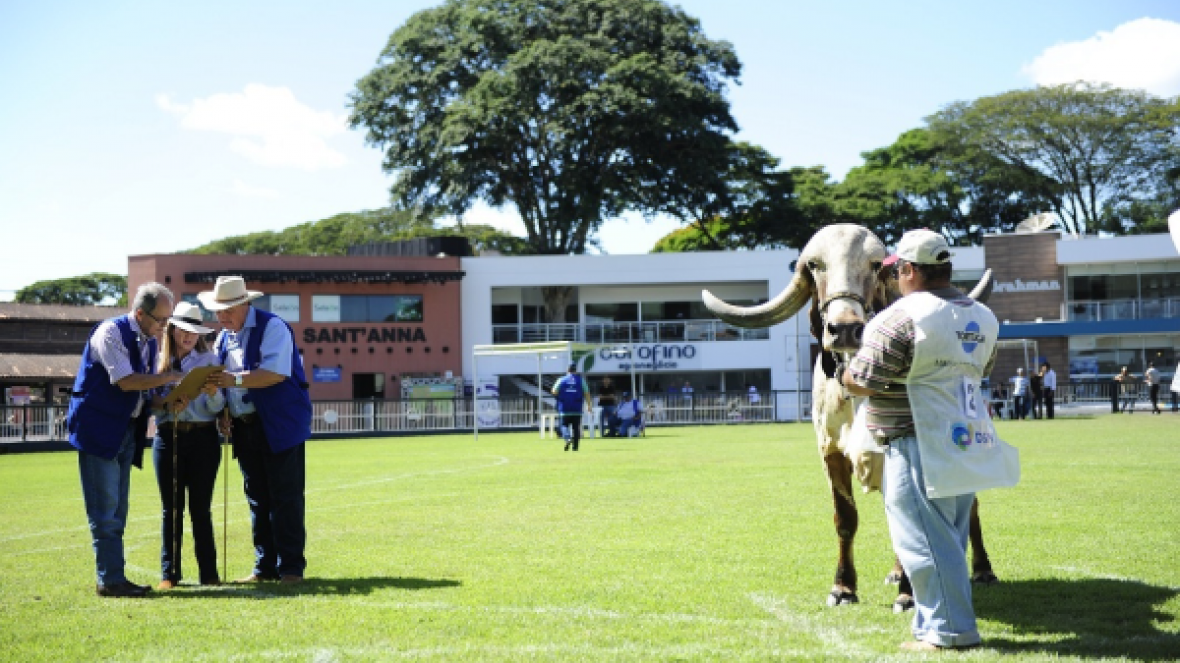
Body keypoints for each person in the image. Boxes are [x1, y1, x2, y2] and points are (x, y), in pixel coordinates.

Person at [843, 229, 1018, 652]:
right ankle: (930, 623)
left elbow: (864, 381)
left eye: (896, 272)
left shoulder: (900, 317)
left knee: (922, 543)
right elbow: (980, 369)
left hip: (914, 439)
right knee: (948, 540)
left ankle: (950, 633)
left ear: (907, 270)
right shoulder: (983, 317)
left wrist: (842, 372)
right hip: (965, 439)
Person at [66, 283, 184, 598]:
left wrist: (167, 401)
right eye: (161, 320)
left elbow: (143, 393)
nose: (164, 328)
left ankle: (114, 577)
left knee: (118, 510)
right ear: (141, 313)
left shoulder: (149, 340)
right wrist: (168, 378)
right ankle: (110, 579)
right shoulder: (110, 332)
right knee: (105, 511)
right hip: (99, 431)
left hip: (126, 431)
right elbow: (126, 381)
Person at [201, 276, 312, 584]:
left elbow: (275, 373)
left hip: (279, 425)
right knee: (257, 498)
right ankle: (264, 568)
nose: (222, 317)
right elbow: (223, 383)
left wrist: (233, 381)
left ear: (244, 304)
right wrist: (224, 411)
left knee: (285, 497)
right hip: (245, 427)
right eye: (218, 311)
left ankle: (290, 568)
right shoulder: (223, 338)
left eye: (227, 310)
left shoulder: (273, 326)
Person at [151, 302, 226, 589]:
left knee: (200, 509)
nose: (190, 336)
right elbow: (150, 406)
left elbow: (219, 407)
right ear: (172, 329)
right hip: (168, 438)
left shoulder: (210, 361)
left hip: (204, 438)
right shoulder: (156, 361)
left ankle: (209, 573)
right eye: (185, 330)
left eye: (195, 332)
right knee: (171, 509)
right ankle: (169, 574)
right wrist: (169, 406)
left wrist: (212, 393)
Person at [551, 362, 592, 451]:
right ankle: (575, 447)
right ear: (575, 370)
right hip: (577, 408)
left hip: (565, 407)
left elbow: (554, 391)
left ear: (567, 370)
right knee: (576, 427)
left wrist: (561, 395)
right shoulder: (581, 380)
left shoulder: (561, 380)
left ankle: (567, 438)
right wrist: (589, 405)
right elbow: (587, 393)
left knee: (564, 425)